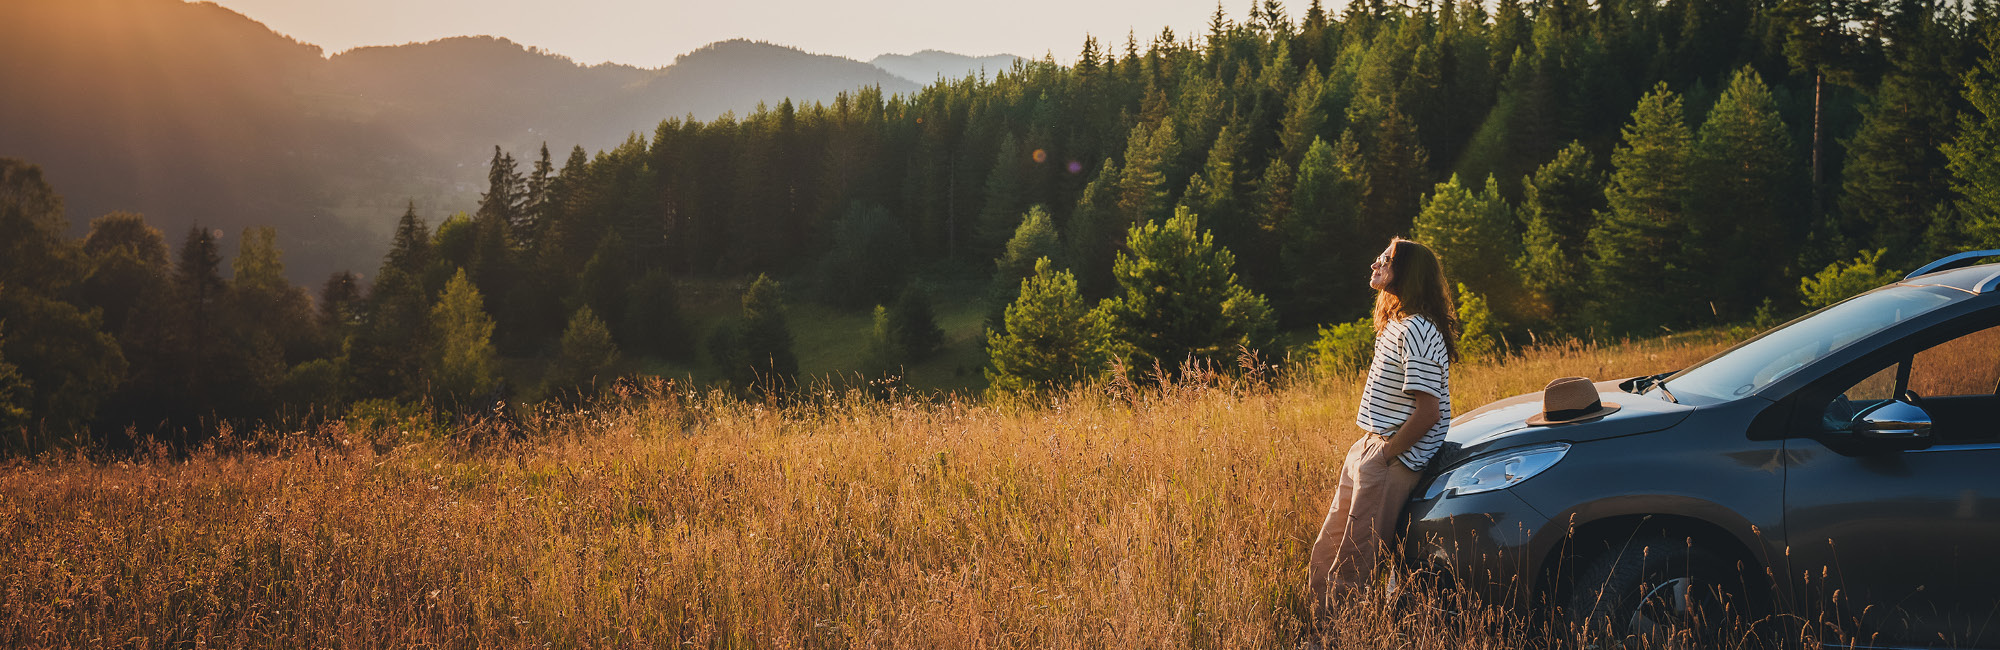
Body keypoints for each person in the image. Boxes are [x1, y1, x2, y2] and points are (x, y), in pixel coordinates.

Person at [1307, 237, 1460, 618]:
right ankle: (1318, 628)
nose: (1375, 264)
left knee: (1353, 562)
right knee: (1327, 548)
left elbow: (1429, 412)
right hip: (1369, 446)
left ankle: (1341, 637)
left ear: (1406, 272)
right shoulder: (1397, 324)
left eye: (1386, 259)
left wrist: (1387, 456)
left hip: (1390, 455)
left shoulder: (1419, 330)